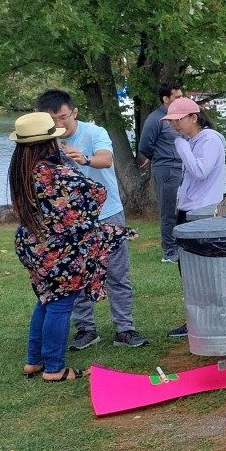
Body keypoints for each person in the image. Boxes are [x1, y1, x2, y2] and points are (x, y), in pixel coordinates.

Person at [9, 113, 131, 381]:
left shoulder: (21, 168)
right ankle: (54, 368)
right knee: (60, 304)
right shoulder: (53, 172)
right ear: (48, 142)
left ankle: (34, 360)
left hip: (33, 244)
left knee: (45, 300)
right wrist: (70, 162)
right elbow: (96, 192)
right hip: (57, 250)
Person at [34, 90, 147, 350]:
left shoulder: (95, 132)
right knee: (77, 274)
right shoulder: (45, 140)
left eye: (63, 117)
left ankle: (125, 329)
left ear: (74, 112)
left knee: (117, 273)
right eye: (53, 119)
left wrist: (84, 159)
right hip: (71, 220)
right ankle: (85, 329)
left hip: (108, 212)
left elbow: (106, 159)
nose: (59, 124)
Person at [163, 97, 226, 338]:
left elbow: (200, 172)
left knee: (200, 269)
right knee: (188, 268)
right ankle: (197, 319)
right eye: (171, 121)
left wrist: (181, 147)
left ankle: (207, 319)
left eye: (178, 120)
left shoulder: (209, 139)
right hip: (190, 210)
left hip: (202, 213)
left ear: (194, 117)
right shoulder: (195, 140)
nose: (174, 126)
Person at [137, 81, 184, 263]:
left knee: (182, 210)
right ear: (166, 99)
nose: (181, 99)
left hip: (180, 169)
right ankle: (169, 252)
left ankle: (181, 245)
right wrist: (157, 157)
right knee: (168, 211)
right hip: (165, 170)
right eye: (177, 97)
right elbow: (144, 146)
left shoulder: (178, 118)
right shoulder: (156, 118)